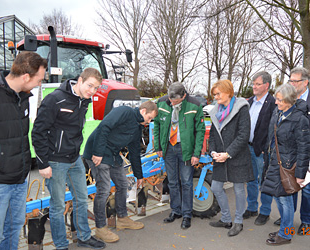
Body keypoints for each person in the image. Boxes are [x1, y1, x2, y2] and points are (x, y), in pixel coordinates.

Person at [32, 68, 105, 250]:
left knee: (81, 199)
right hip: (55, 161)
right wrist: (43, 163)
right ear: (79, 80)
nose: (92, 91)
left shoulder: (84, 101)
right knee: (57, 206)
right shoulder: (55, 99)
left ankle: (84, 237)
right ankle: (61, 245)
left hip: (74, 159)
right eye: (90, 85)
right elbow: (38, 132)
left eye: (96, 88)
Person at [83, 101, 158, 243]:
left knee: (123, 185)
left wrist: (139, 175)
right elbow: (104, 127)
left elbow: (135, 152)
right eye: (149, 118)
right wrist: (98, 153)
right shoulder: (124, 112)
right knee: (104, 189)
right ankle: (100, 228)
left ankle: (123, 219)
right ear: (143, 111)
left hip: (112, 153)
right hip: (97, 151)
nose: (149, 122)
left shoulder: (137, 128)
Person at [0, 51, 47, 250]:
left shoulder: (24, 97)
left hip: (20, 178)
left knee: (14, 227)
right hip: (0, 181)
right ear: (26, 76)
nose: (40, 84)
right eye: (39, 79)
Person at [274, 67, 310, 234]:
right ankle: (288, 218)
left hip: (307, 155)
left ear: (305, 82)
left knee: (307, 189)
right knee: (289, 187)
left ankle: (305, 220)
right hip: (288, 155)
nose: (293, 84)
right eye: (291, 81)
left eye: (296, 81)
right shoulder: (285, 100)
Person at [261, 84, 310, 245]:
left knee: (285, 199)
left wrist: (300, 174)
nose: (276, 102)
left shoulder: (299, 119)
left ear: (289, 101)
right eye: (276, 99)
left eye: (280, 100)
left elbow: (304, 148)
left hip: (287, 166)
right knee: (278, 197)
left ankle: (286, 234)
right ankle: (284, 228)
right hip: (275, 162)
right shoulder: (278, 113)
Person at [153, 82, 205, 230]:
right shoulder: (162, 102)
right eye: (170, 99)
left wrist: (196, 153)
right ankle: (176, 210)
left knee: (187, 182)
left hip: (186, 149)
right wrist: (158, 146)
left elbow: (200, 130)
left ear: (183, 96)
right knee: (172, 181)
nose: (172, 102)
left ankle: (187, 214)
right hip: (168, 147)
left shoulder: (194, 105)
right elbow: (156, 125)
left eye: (175, 100)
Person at [208, 79, 254, 237]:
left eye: (218, 93)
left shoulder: (241, 109)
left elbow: (243, 135)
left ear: (228, 92)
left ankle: (238, 221)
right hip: (220, 157)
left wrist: (228, 153)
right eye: (214, 94)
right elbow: (213, 136)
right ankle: (226, 219)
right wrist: (213, 152)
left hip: (236, 156)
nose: (215, 97)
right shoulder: (215, 111)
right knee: (215, 187)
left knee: (239, 189)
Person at [244, 71, 276, 225]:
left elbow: (273, 128)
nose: (254, 87)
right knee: (250, 180)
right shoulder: (249, 102)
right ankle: (251, 208)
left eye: (257, 84)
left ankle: (265, 211)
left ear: (266, 85)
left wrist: (266, 148)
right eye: (253, 84)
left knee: (264, 181)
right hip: (248, 148)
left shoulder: (273, 103)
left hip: (262, 151)